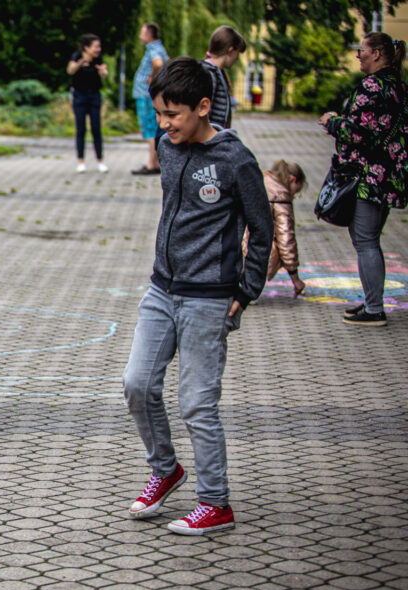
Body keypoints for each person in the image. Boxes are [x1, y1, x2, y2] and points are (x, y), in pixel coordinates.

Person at [122, 57, 273, 535]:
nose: (164, 126)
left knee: (196, 403)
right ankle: (166, 471)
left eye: (173, 115)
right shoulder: (169, 148)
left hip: (209, 298)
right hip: (161, 289)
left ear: (204, 107)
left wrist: (246, 290)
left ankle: (215, 503)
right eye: (160, 115)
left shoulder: (235, 159)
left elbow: (263, 230)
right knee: (137, 385)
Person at [319, 32, 407, 327]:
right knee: (367, 239)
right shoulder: (398, 87)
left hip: (370, 176)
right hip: (387, 174)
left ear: (378, 54)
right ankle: (372, 302)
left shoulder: (372, 87)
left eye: (363, 50)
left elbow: (358, 133)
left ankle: (374, 309)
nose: (358, 55)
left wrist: (331, 121)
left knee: (366, 241)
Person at [260, 160, 307, 297]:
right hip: (251, 255)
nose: (293, 196)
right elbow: (286, 239)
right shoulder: (280, 197)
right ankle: (249, 286)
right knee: (277, 247)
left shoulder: (259, 181)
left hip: (232, 251)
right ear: (292, 179)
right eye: (296, 191)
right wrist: (295, 279)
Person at [68, 33, 109, 173]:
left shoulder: (98, 59)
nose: (98, 49)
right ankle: (81, 161)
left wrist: (103, 71)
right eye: (96, 46)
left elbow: (104, 74)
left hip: (94, 96)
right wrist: (80, 63)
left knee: (96, 128)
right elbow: (70, 70)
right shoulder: (76, 56)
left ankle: (100, 161)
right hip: (79, 96)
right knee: (81, 129)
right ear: (86, 47)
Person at [131, 22, 168, 175]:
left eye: (142, 33)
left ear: (148, 35)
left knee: (150, 129)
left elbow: (158, 63)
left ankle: (151, 164)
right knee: (154, 129)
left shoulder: (153, 49)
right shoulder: (159, 48)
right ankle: (156, 163)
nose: (140, 36)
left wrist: (152, 76)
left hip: (146, 94)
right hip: (148, 94)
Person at [202, 26, 246, 129]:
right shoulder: (209, 73)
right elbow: (204, 114)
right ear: (230, 51)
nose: (237, 59)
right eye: (237, 53)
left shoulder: (216, 72)